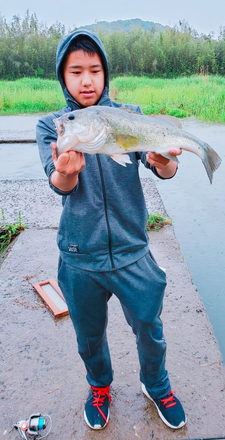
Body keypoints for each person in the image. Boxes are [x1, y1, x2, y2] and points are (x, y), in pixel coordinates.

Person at [36, 29, 186, 431]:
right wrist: (67, 175)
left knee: (149, 327)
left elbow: (164, 168)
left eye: (95, 70)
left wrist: (166, 160)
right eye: (76, 72)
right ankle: (99, 386)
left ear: (105, 74)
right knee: (89, 336)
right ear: (62, 78)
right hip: (79, 256)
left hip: (132, 250)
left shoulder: (129, 115)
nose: (87, 81)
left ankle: (157, 385)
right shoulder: (54, 126)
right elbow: (59, 183)